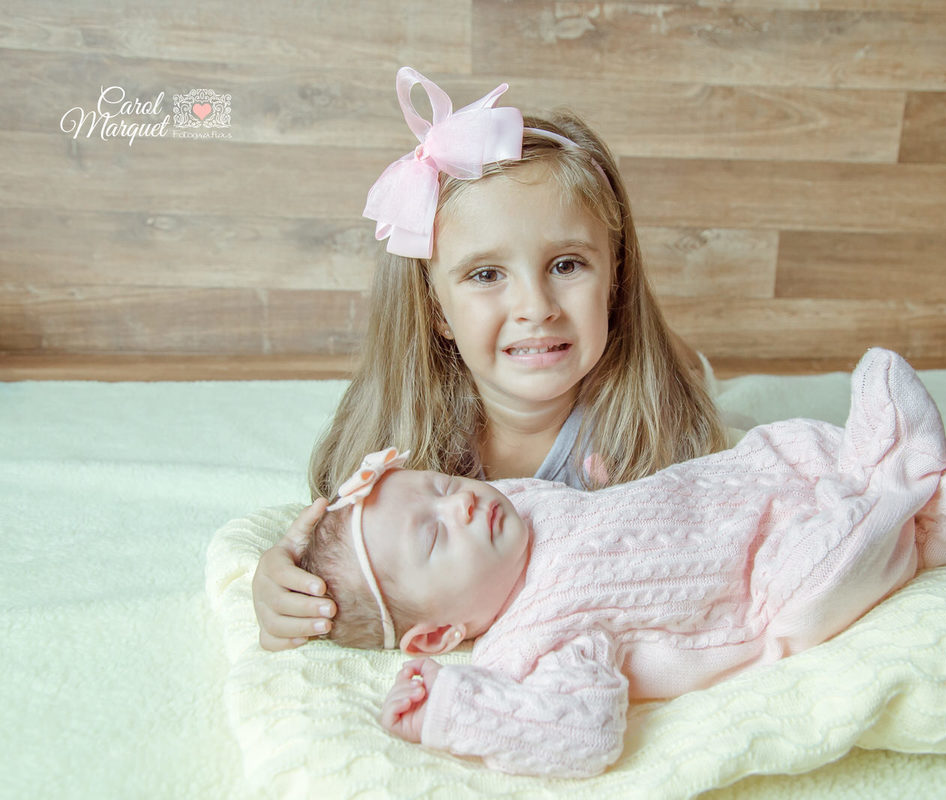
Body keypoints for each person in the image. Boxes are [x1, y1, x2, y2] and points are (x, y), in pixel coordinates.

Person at [298, 349, 946, 777]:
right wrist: (454, 709)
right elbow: (581, 732)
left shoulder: (514, 506)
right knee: (818, 579)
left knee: (771, 451)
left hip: (730, 500)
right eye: (434, 540)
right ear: (437, 637)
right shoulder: (529, 639)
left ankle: (888, 488)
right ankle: (906, 499)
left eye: (445, 487)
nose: (460, 508)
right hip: (757, 591)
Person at [253, 67, 728, 650]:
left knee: (681, 372)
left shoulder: (658, 432)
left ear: (615, 274)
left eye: (567, 264)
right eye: (486, 274)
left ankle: (685, 358)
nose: (536, 307)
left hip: (659, 384)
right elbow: (342, 553)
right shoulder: (400, 446)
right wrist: (285, 580)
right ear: (436, 312)